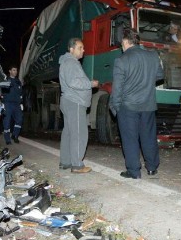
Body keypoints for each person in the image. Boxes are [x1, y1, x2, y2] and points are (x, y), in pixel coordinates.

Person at [109, 28, 164, 179]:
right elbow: (160, 75)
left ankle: (134, 171)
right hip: (148, 105)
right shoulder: (153, 56)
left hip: (129, 106)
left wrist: (115, 107)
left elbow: (117, 88)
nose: (121, 47)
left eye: (122, 44)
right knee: (149, 137)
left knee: (130, 138)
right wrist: (145, 80)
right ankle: (152, 168)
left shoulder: (121, 60)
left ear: (125, 42)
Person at [58, 38, 99, 173]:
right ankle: (77, 165)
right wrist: (90, 84)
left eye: (83, 48)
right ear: (71, 49)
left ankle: (65, 161)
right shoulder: (70, 62)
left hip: (69, 100)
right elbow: (73, 82)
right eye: (80, 48)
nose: (83, 50)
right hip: (75, 101)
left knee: (69, 132)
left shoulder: (68, 62)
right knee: (79, 133)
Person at [1, 65, 23, 145]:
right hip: (7, 103)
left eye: (16, 70)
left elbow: (20, 93)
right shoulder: (5, 80)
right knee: (7, 122)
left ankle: (15, 135)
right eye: (14, 70)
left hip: (16, 104)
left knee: (19, 120)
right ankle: (7, 139)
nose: (15, 72)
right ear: (10, 71)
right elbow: (1, 92)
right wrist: (2, 103)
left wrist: (21, 103)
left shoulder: (18, 81)